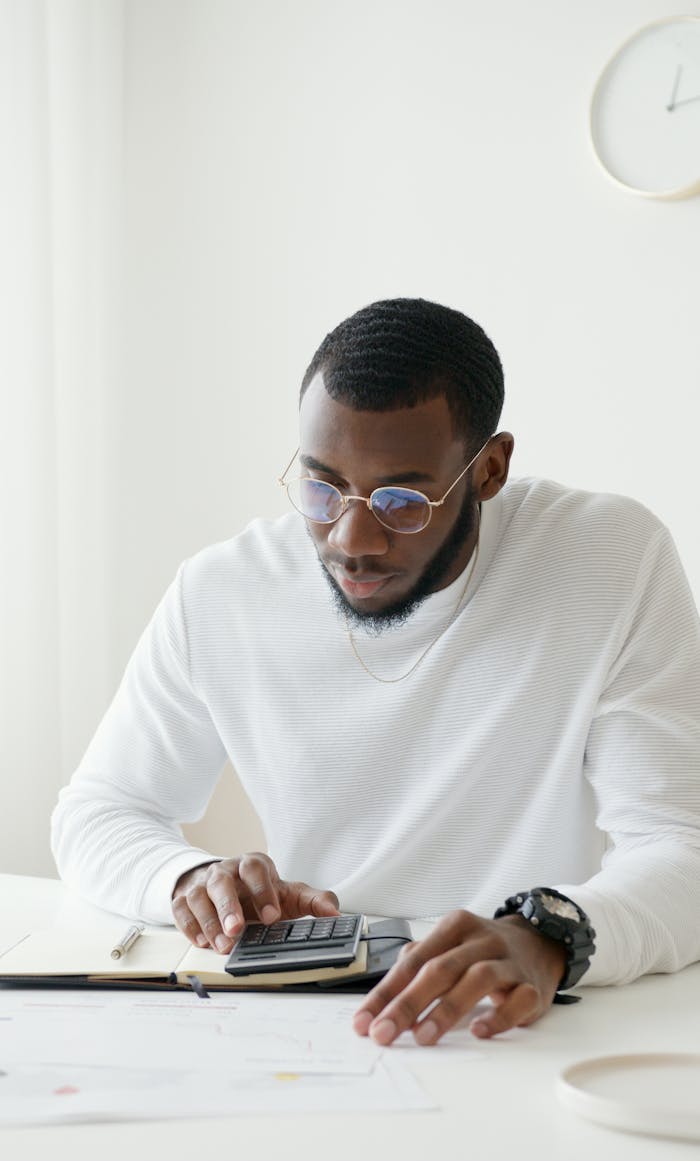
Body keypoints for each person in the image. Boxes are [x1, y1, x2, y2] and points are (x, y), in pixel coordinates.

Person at [51, 297, 700, 1047]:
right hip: (310, 1015)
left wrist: (550, 934)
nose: (351, 539)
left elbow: (680, 840)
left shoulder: (606, 559)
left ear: (488, 471)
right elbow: (97, 813)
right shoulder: (224, 590)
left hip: (527, 1017)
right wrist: (188, 880)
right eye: (323, 489)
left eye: (401, 501)